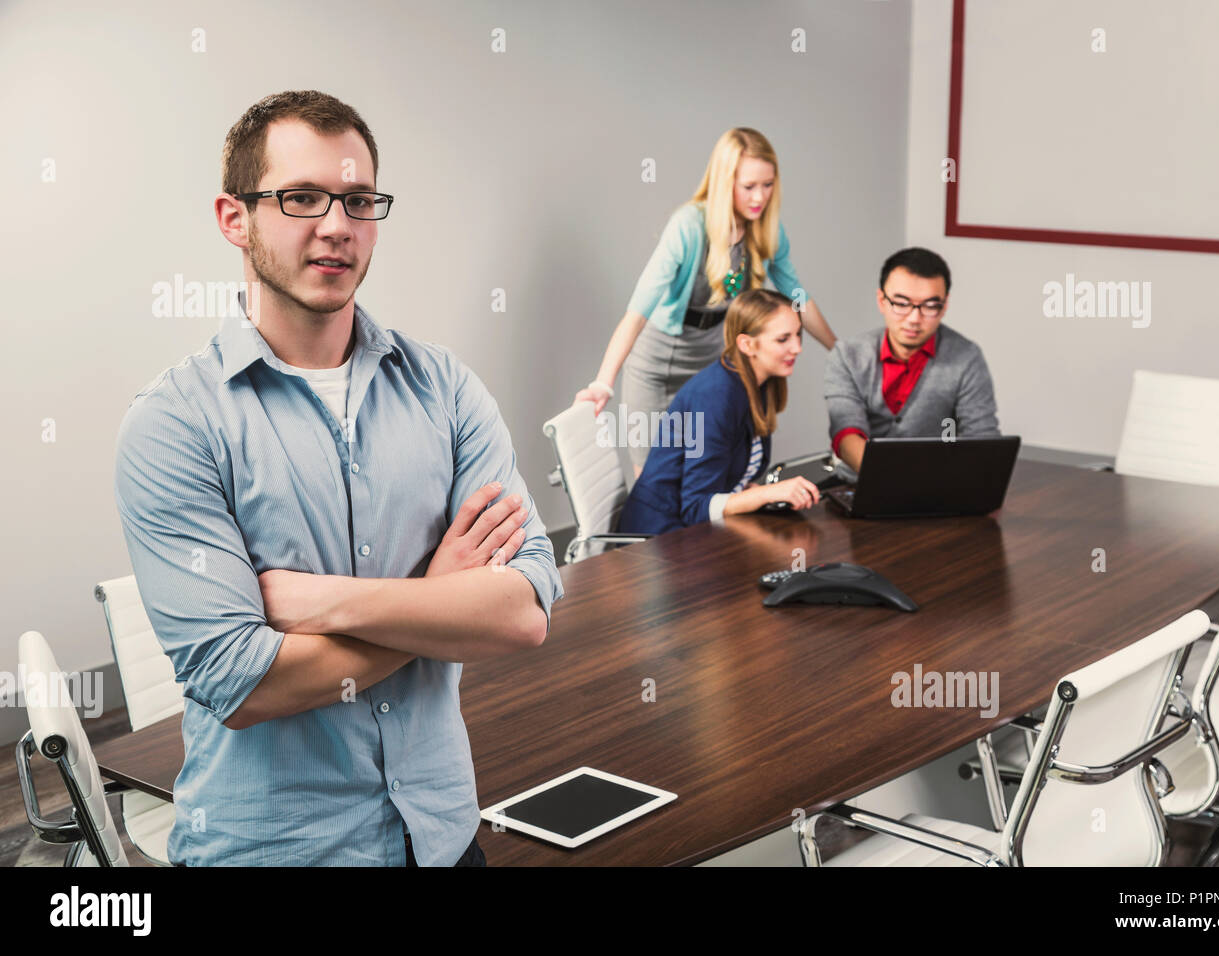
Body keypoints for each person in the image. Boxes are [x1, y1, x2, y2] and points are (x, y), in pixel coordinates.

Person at [113, 90, 562, 867]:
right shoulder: (175, 425)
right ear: (234, 218)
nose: (336, 225)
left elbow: (521, 614)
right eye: (302, 198)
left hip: (443, 839)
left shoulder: (446, 390)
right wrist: (440, 595)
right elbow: (246, 687)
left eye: (358, 200)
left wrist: (322, 601)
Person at [573, 127, 837, 474]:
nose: (760, 197)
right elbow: (638, 313)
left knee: (706, 469)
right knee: (654, 479)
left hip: (712, 361)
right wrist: (603, 382)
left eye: (768, 185)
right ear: (725, 182)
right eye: (749, 187)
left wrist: (840, 352)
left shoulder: (768, 231)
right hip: (658, 363)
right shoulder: (687, 227)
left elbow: (798, 297)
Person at [617, 289, 821, 534]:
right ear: (747, 344)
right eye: (783, 339)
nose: (797, 347)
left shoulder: (759, 384)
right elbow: (695, 508)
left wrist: (763, 494)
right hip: (660, 539)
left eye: (798, 335)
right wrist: (768, 492)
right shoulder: (714, 397)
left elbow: (726, 482)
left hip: (699, 533)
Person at [824, 247, 999, 472]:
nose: (915, 319)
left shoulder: (966, 357)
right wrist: (889, 479)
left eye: (930, 306)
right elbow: (847, 433)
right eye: (902, 303)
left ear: (944, 306)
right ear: (882, 301)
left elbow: (982, 439)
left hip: (936, 485)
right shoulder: (847, 355)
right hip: (861, 481)